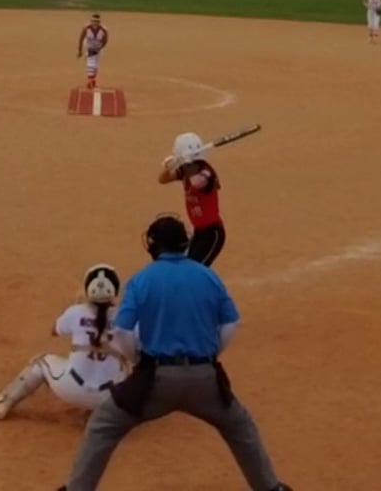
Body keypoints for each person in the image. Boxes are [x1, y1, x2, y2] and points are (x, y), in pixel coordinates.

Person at [55, 215, 292, 491]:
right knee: (240, 426)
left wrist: (137, 359)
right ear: (184, 243)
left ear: (152, 245)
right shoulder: (208, 276)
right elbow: (232, 323)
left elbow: (120, 331)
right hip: (205, 380)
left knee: (104, 424)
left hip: (155, 380)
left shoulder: (142, 280)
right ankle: (270, 488)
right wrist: (210, 355)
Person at [0, 265, 126, 419]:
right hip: (111, 398)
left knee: (41, 362)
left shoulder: (76, 311)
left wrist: (78, 307)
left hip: (72, 389)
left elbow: (54, 331)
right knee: (131, 370)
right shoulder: (126, 317)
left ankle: (4, 403)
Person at [158, 132, 227, 266]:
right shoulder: (185, 170)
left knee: (196, 269)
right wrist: (170, 167)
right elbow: (162, 180)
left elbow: (197, 182)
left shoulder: (206, 172)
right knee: (188, 266)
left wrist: (185, 162)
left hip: (212, 233)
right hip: (199, 231)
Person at [78, 13, 108, 89]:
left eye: (97, 21)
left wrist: (99, 48)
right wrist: (80, 51)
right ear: (91, 21)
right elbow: (81, 39)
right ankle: (90, 80)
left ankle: (93, 79)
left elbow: (105, 41)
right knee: (91, 63)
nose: (95, 23)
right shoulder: (86, 28)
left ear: (99, 22)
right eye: (93, 21)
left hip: (98, 48)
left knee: (96, 66)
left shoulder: (104, 30)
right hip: (89, 47)